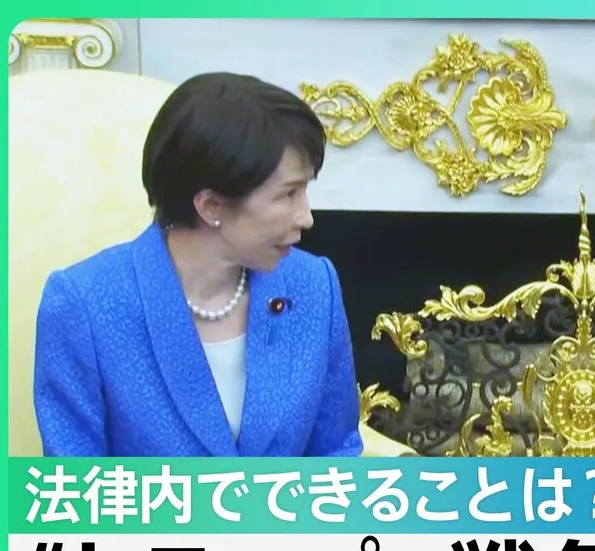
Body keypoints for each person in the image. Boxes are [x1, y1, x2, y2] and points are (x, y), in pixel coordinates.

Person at [33, 72, 363, 457]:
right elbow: (74, 481)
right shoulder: (82, 305)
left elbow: (337, 455)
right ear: (211, 206)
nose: (306, 217)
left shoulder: (313, 285)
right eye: (288, 194)